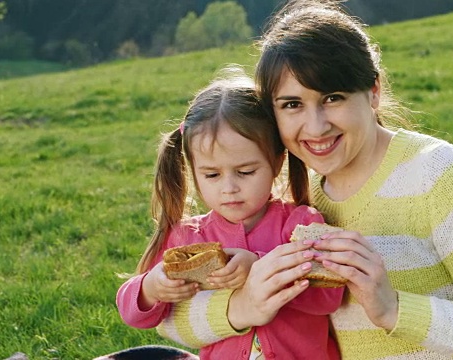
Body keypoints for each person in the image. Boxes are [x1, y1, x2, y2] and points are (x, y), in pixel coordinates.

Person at [157, 0, 453, 359]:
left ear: (374, 91)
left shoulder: (440, 176)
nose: (315, 126)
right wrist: (243, 306)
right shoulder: (300, 204)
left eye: (332, 97)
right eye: (292, 104)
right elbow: (170, 322)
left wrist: (394, 309)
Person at [115, 70, 344, 360]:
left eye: (246, 172)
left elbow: (330, 296)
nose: (229, 188)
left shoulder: (300, 223)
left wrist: (259, 267)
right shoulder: (188, 238)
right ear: (193, 171)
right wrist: (151, 287)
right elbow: (134, 314)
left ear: (276, 162)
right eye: (211, 175)